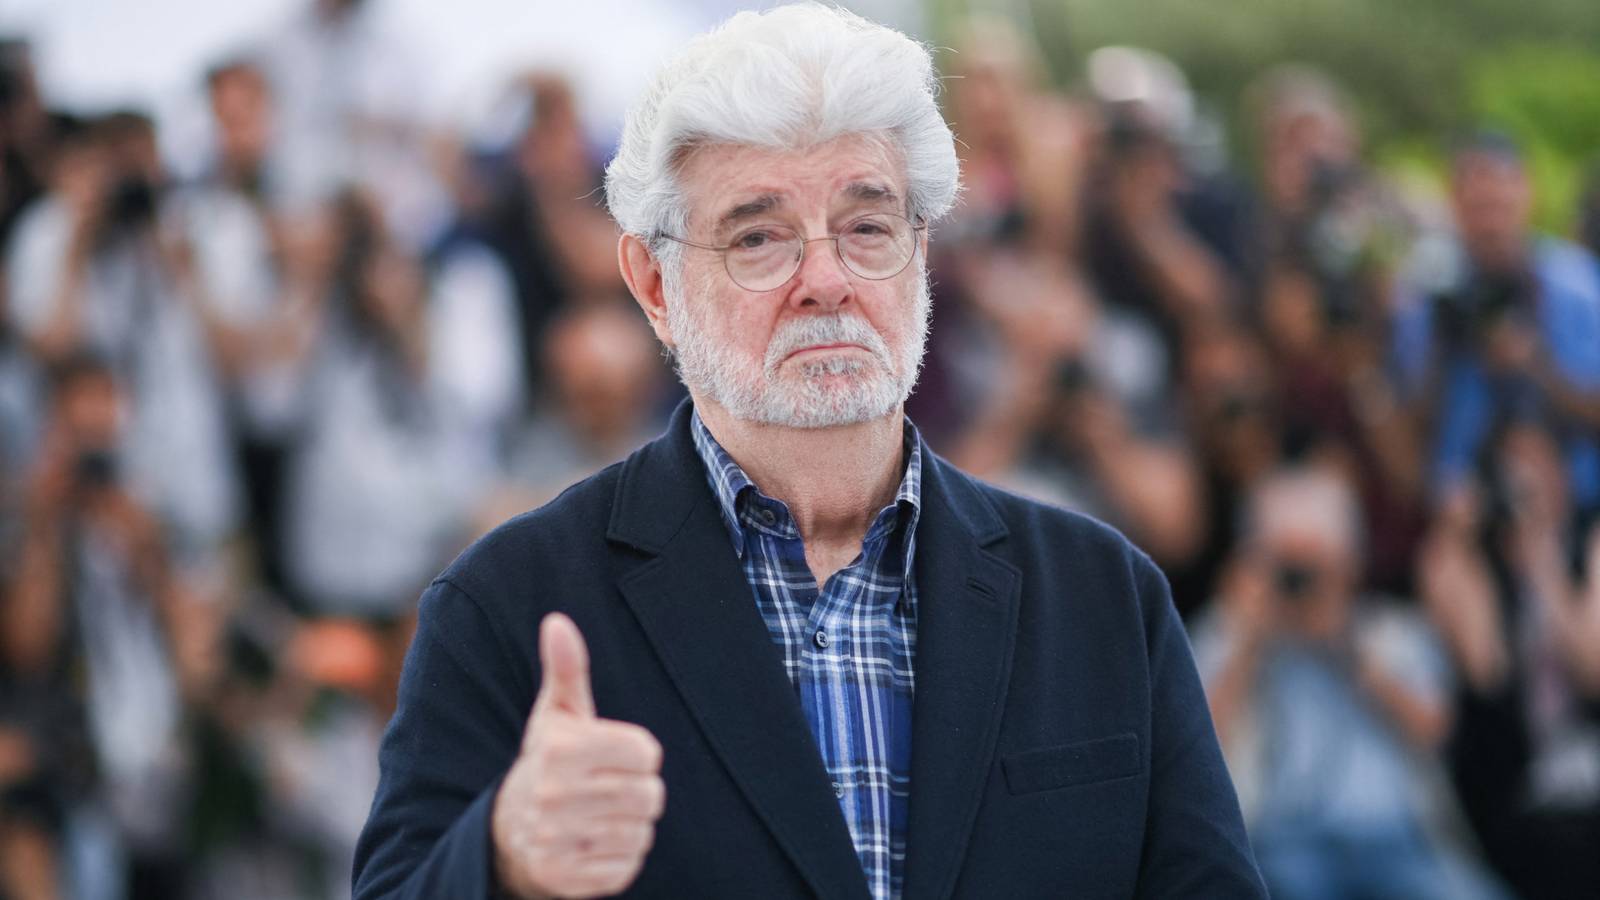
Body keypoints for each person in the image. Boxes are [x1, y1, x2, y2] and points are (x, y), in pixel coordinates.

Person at [353, 6, 1263, 899]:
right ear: (655, 286)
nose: (826, 280)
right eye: (759, 237)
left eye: (867, 227)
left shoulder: (1106, 598)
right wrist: (502, 861)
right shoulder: (507, 605)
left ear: (920, 251)